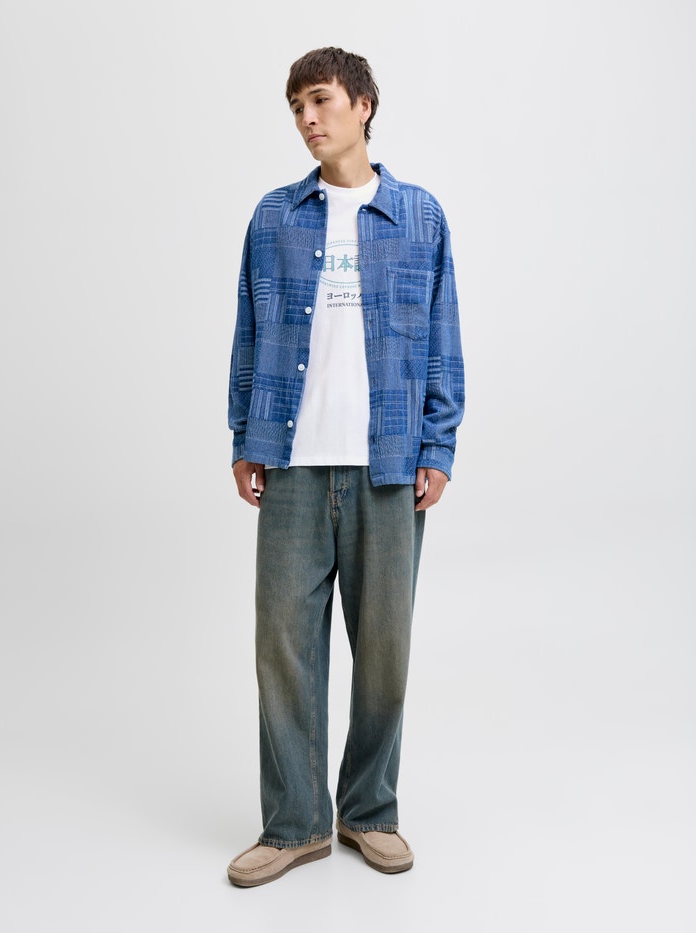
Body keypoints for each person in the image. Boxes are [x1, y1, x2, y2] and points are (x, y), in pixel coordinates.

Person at [226, 46, 465, 887]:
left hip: (388, 467)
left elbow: (443, 338)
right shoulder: (273, 217)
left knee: (385, 652)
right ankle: (295, 822)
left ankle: (369, 810)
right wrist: (245, 435)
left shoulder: (419, 216)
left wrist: (438, 445)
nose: (307, 118)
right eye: (296, 104)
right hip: (292, 463)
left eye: (320, 99)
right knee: (284, 650)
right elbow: (250, 332)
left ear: (363, 104)